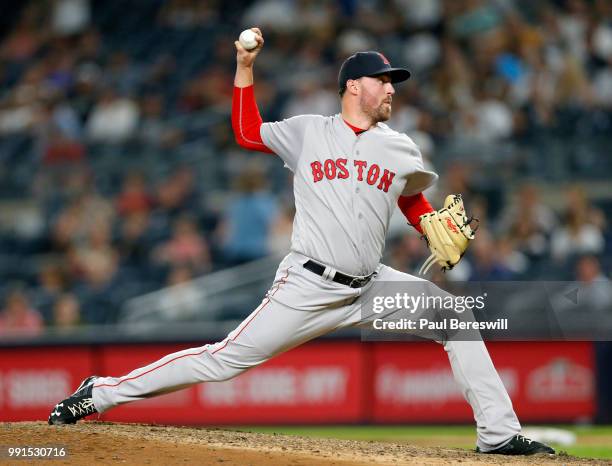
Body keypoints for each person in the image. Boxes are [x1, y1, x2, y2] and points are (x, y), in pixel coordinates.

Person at [48, 28, 554, 456]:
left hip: (371, 286)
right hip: (307, 284)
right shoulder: (309, 131)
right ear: (353, 86)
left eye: (393, 82)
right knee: (223, 360)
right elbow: (247, 132)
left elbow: (410, 201)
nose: (392, 90)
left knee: (456, 318)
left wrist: (428, 228)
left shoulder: (400, 147)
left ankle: (499, 435)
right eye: (384, 81)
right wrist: (245, 66)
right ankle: (103, 393)